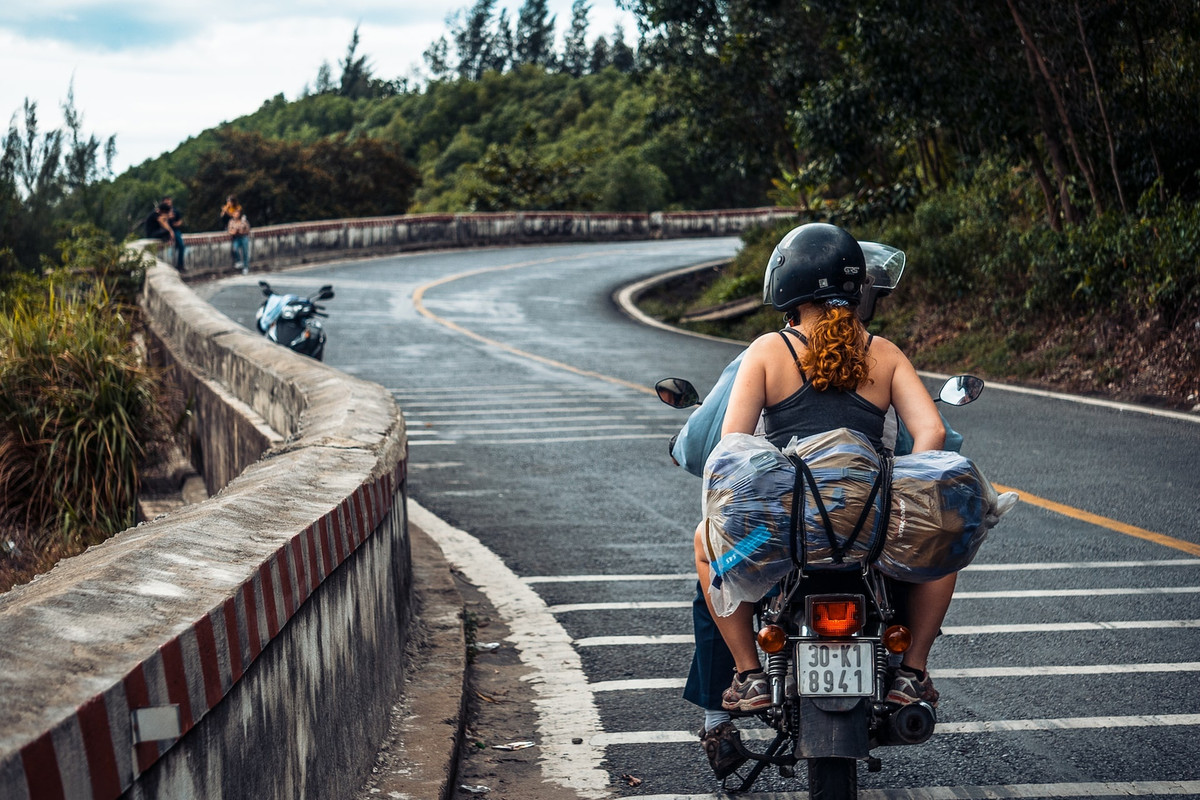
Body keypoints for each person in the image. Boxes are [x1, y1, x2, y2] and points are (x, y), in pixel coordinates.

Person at [690, 222, 948, 777]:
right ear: (857, 293)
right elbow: (932, 434)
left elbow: (733, 445)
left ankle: (749, 673)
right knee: (937, 544)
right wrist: (901, 484)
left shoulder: (769, 350)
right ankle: (911, 670)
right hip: (872, 528)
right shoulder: (884, 353)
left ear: (789, 291)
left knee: (706, 548)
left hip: (781, 532)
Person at [161, 196, 186, 270]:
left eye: (169, 201)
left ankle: (180, 265)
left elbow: (180, 221)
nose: (168, 203)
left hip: (175, 230)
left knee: (181, 246)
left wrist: (176, 224)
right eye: (166, 201)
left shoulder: (175, 211)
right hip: (165, 231)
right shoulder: (161, 211)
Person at [227, 208, 252, 274]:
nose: (236, 214)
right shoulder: (231, 221)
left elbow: (248, 229)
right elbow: (229, 231)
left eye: (237, 213)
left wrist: (242, 230)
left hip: (244, 237)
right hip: (236, 237)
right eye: (234, 213)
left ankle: (246, 267)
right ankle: (239, 261)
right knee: (235, 249)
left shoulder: (243, 220)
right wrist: (234, 232)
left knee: (245, 252)